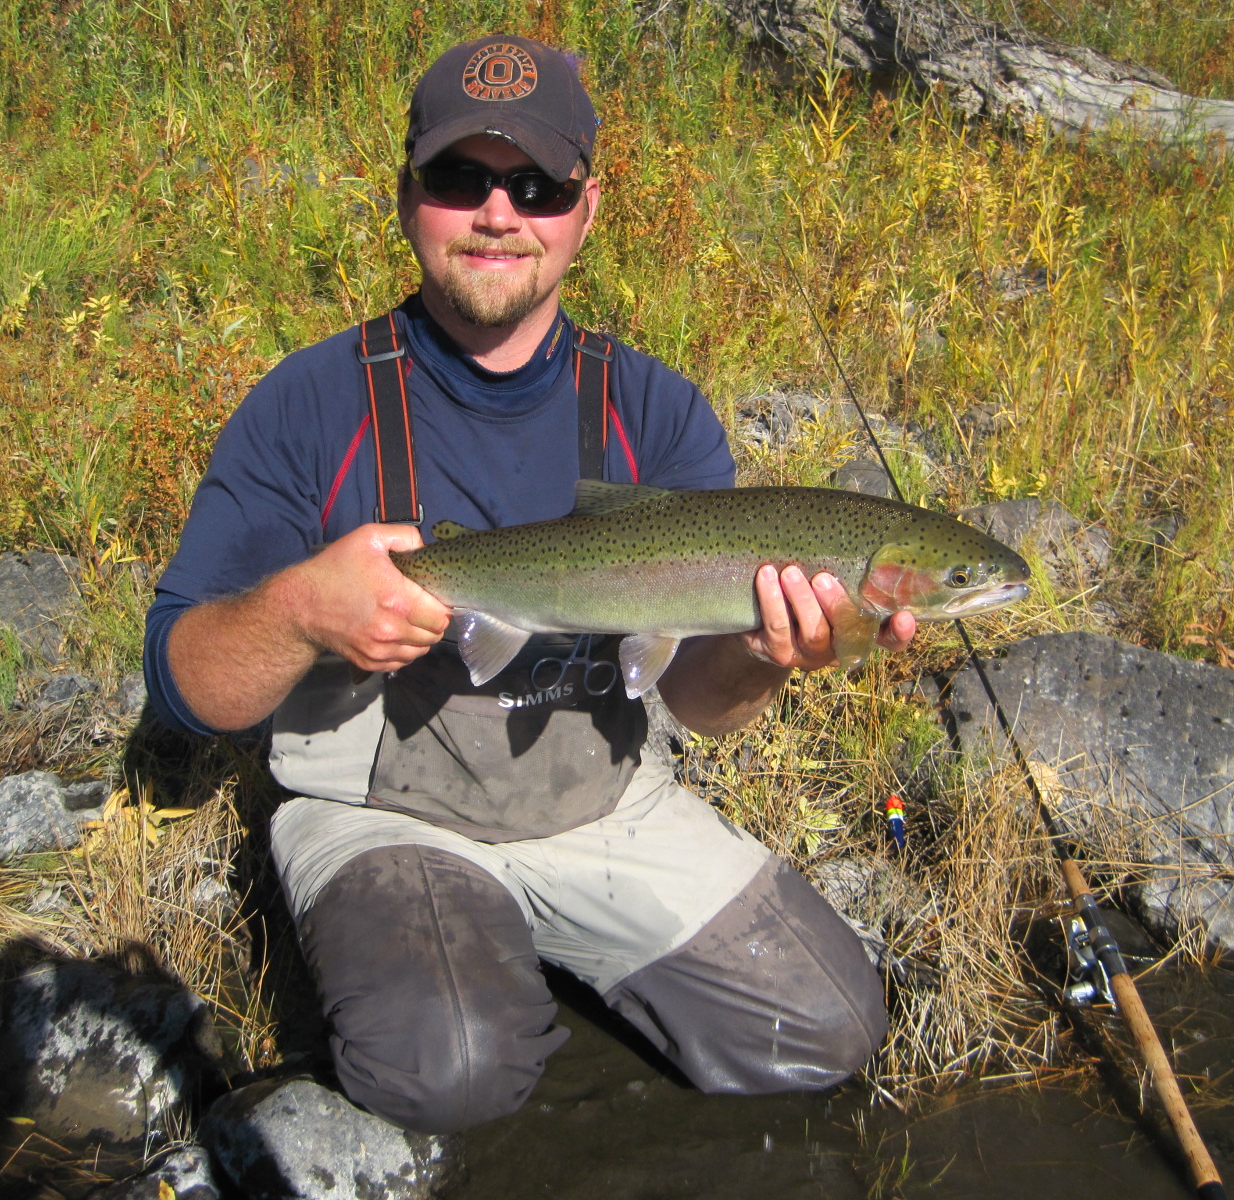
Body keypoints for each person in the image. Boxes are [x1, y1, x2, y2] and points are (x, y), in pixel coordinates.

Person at [144, 34, 917, 1135]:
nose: (499, 213)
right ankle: (450, 969)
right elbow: (186, 686)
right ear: (407, 195)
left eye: (537, 185)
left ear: (585, 207)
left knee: (827, 1027)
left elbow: (695, 705)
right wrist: (300, 609)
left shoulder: (654, 412)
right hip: (384, 817)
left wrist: (761, 652)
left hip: (602, 804)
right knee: (448, 1068)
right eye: (462, 179)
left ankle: (514, 961)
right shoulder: (309, 404)